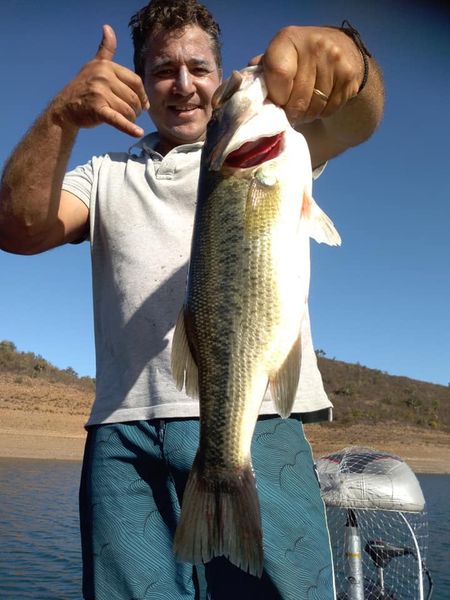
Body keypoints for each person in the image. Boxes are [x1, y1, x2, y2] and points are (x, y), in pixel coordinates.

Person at [0, 1, 384, 598]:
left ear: (219, 76)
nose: (183, 84)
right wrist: (60, 117)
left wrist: (350, 60)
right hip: (126, 435)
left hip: (258, 418)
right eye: (163, 70)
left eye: (200, 69)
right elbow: (18, 228)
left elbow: (360, 118)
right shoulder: (103, 174)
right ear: (141, 83)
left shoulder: (281, 145)